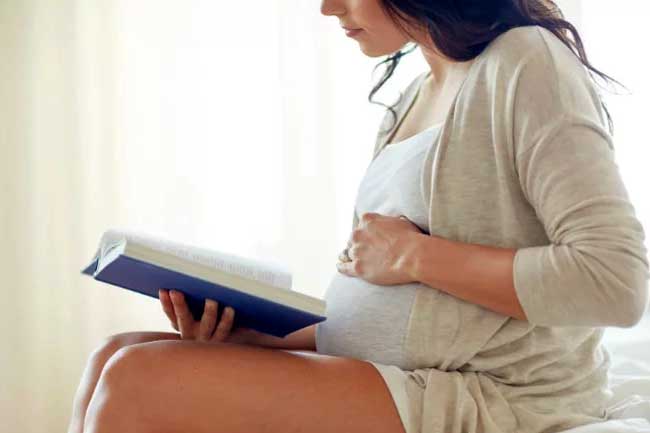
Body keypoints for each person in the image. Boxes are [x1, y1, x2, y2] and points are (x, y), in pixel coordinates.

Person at [67, 1, 649, 433]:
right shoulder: (410, 97)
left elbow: (615, 282)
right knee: (114, 354)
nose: (328, 7)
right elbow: (399, 309)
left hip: (499, 395)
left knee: (136, 379)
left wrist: (415, 255)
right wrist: (254, 336)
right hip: (392, 369)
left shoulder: (525, 61)